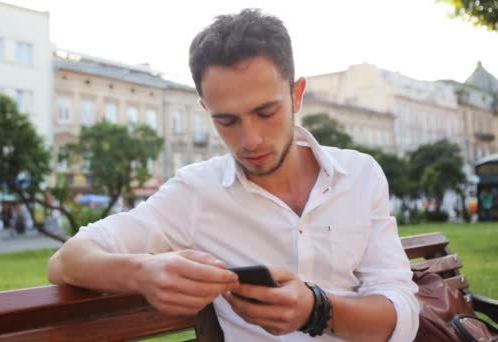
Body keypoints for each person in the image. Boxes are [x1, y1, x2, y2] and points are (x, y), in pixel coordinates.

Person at [48, 9, 419, 341]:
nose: (250, 140)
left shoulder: (359, 174)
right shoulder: (196, 192)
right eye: (226, 120)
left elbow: (401, 312)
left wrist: (315, 310)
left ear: (297, 95)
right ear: (206, 109)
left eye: (266, 112)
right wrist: (143, 272)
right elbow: (66, 260)